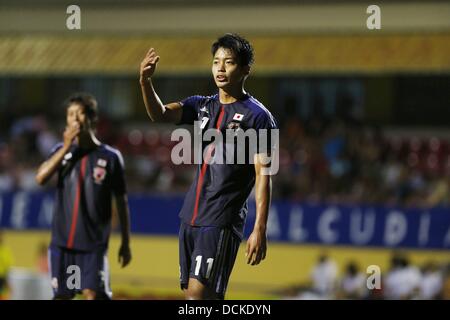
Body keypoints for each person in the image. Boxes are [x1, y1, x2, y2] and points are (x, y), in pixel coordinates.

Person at [139, 33, 278, 299]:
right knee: (204, 298)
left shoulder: (259, 117)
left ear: (246, 69)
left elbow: (264, 174)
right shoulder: (201, 105)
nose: (221, 68)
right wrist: (145, 81)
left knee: (196, 298)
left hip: (221, 219)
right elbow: (159, 114)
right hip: (190, 216)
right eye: (216, 62)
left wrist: (259, 228)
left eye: (229, 62)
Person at [35, 93, 132, 300]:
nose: (75, 119)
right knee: (62, 296)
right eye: (71, 114)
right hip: (62, 245)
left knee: (93, 295)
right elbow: (41, 178)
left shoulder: (110, 157)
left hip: (92, 247)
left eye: (80, 113)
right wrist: (66, 148)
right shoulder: (60, 152)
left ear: (92, 118)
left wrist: (125, 241)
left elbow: (121, 201)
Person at [0, 230, 14, 300]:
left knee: (3, 296)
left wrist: (8, 282)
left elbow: (7, 268)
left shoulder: (6, 250)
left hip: (2, 279)